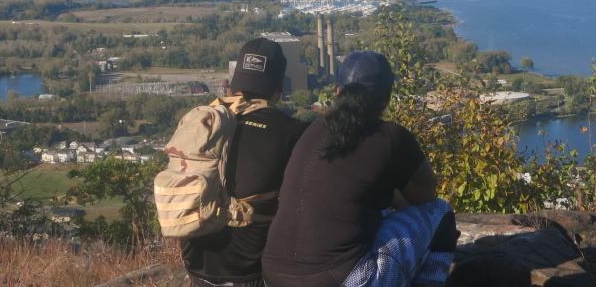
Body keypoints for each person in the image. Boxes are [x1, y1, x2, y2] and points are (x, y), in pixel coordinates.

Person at [262, 51, 458, 287]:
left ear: (337, 91)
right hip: (338, 280)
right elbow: (425, 196)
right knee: (441, 212)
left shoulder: (311, 131)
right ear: (386, 97)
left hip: (273, 275)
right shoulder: (391, 137)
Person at [180, 37, 309, 287]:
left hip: (197, 265)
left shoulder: (200, 123)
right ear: (279, 87)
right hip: (251, 272)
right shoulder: (292, 132)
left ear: (232, 85)